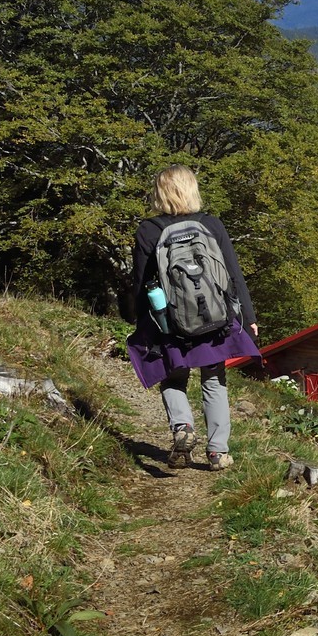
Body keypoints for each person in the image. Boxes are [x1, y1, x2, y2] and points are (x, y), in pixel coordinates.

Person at [127, 165, 259, 472]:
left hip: (171, 322)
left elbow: (141, 284)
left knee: (173, 376)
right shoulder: (211, 224)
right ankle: (218, 453)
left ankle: (183, 428)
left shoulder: (148, 230)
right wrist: (248, 317)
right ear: (192, 189)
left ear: (160, 193)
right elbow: (233, 275)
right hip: (215, 319)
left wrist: (143, 324)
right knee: (214, 379)